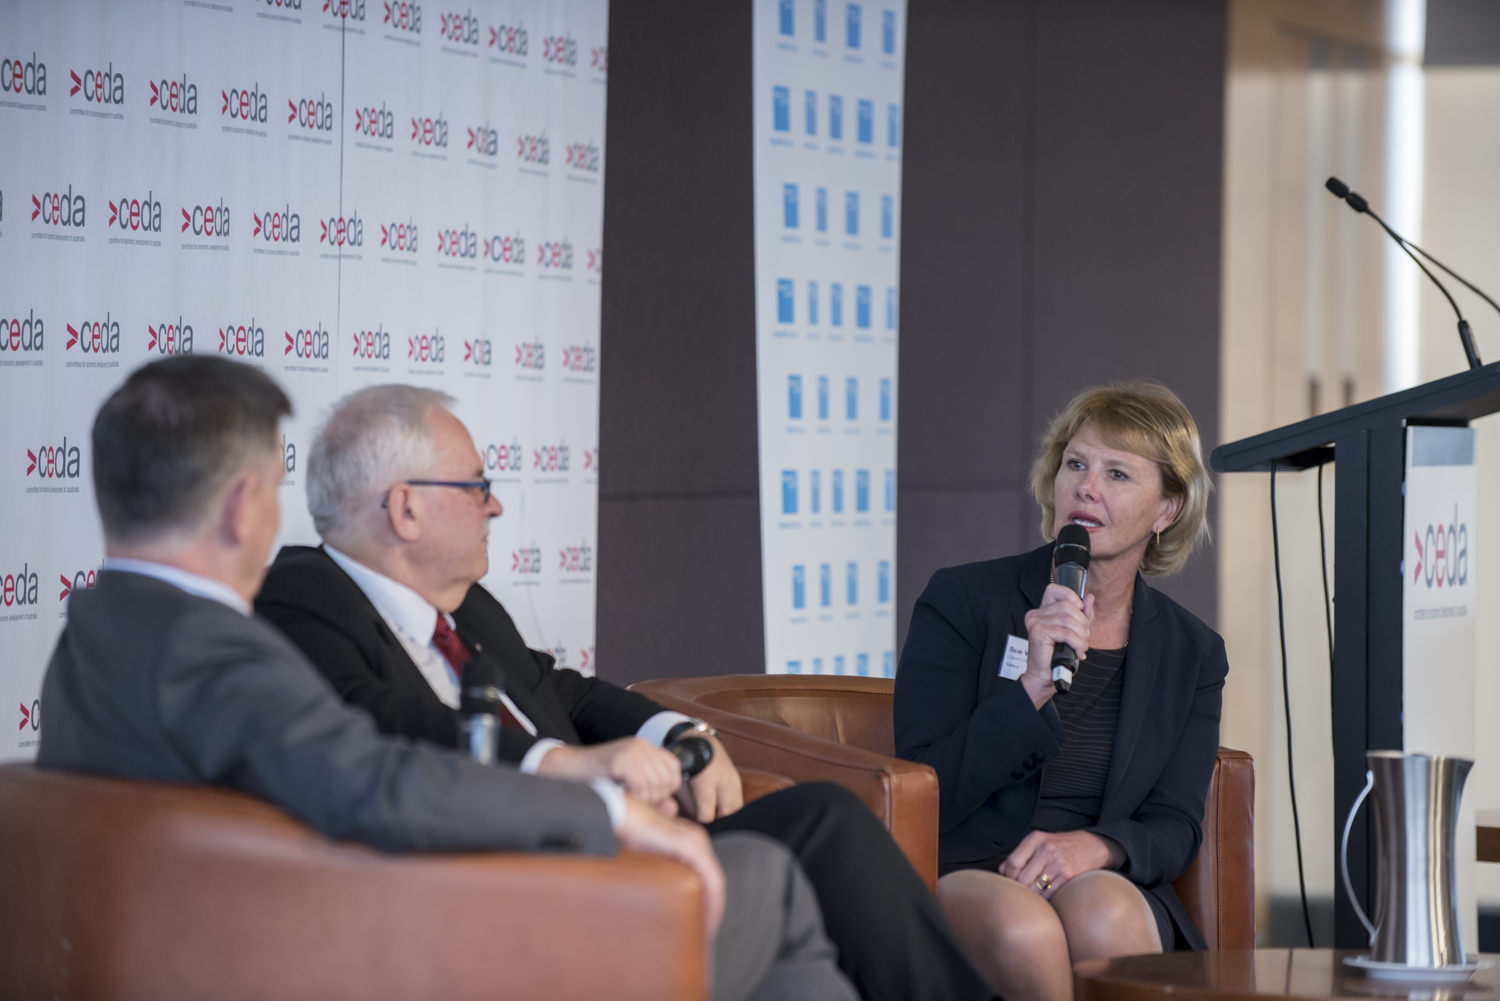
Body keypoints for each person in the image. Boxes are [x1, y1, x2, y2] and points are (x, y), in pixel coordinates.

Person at [37, 356, 859, 1001]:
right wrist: (606, 810)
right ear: (241, 504)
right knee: (768, 883)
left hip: (328, 937)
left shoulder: (96, 638)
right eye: (279, 492)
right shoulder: (212, 652)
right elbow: (377, 783)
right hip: (393, 959)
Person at [254, 383, 994, 1001]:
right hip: (515, 870)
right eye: (477, 486)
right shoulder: (304, 596)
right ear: (405, 508)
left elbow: (564, 692)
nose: (495, 507)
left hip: (617, 835)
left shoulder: (469, 606)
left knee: (823, 820)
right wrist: (565, 767)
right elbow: (376, 721)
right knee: (792, 872)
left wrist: (676, 733)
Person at [893, 381, 1226, 1001]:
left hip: (1099, 871)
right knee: (1024, 928)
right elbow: (923, 784)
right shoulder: (964, 600)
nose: (1086, 487)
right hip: (973, 864)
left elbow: (1175, 824)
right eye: (1076, 464)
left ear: (1167, 510)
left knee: (1107, 914)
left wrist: (1097, 847)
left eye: (1117, 473)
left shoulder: (1194, 652)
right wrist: (1031, 690)